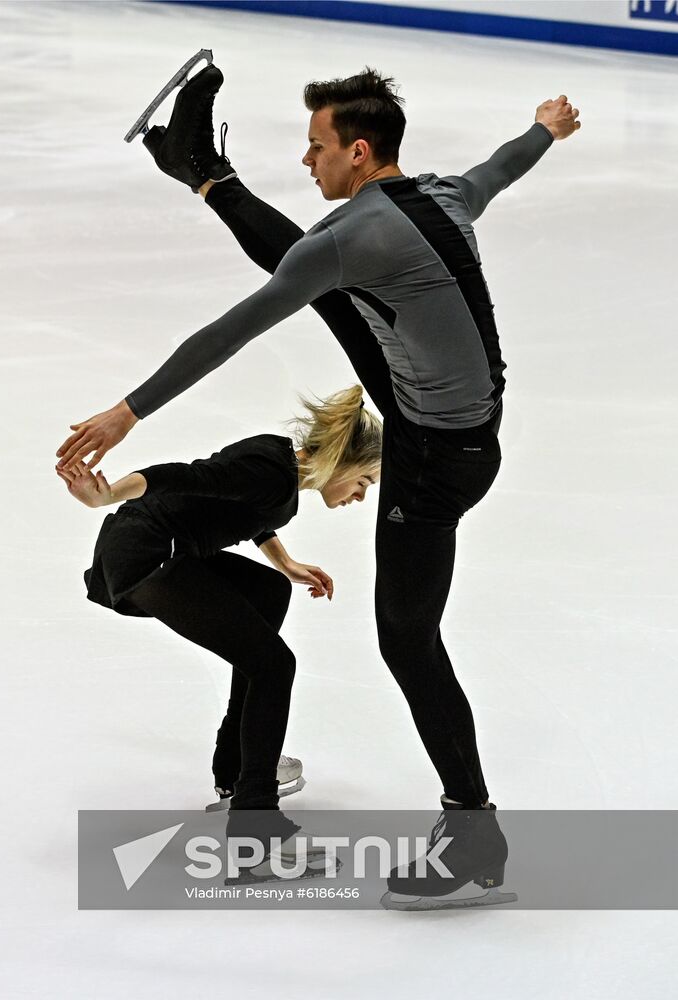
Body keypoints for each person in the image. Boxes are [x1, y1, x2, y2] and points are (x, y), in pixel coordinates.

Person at [55, 64, 580, 901]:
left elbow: (230, 331)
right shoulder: (443, 195)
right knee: (328, 288)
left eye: (315, 146)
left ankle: (473, 828)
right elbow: (501, 167)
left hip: (433, 462)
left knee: (407, 640)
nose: (307, 162)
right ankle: (201, 168)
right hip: (468, 425)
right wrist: (544, 128)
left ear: (359, 151)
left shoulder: (354, 237)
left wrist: (129, 412)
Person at [56, 385, 381, 820]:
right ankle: (255, 815)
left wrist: (285, 563)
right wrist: (109, 494)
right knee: (274, 666)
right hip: (149, 553)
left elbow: (246, 511)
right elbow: (184, 476)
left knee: (269, 592)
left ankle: (239, 766)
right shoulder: (269, 472)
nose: (360, 496)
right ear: (344, 460)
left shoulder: (280, 467)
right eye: (364, 481)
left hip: (159, 547)